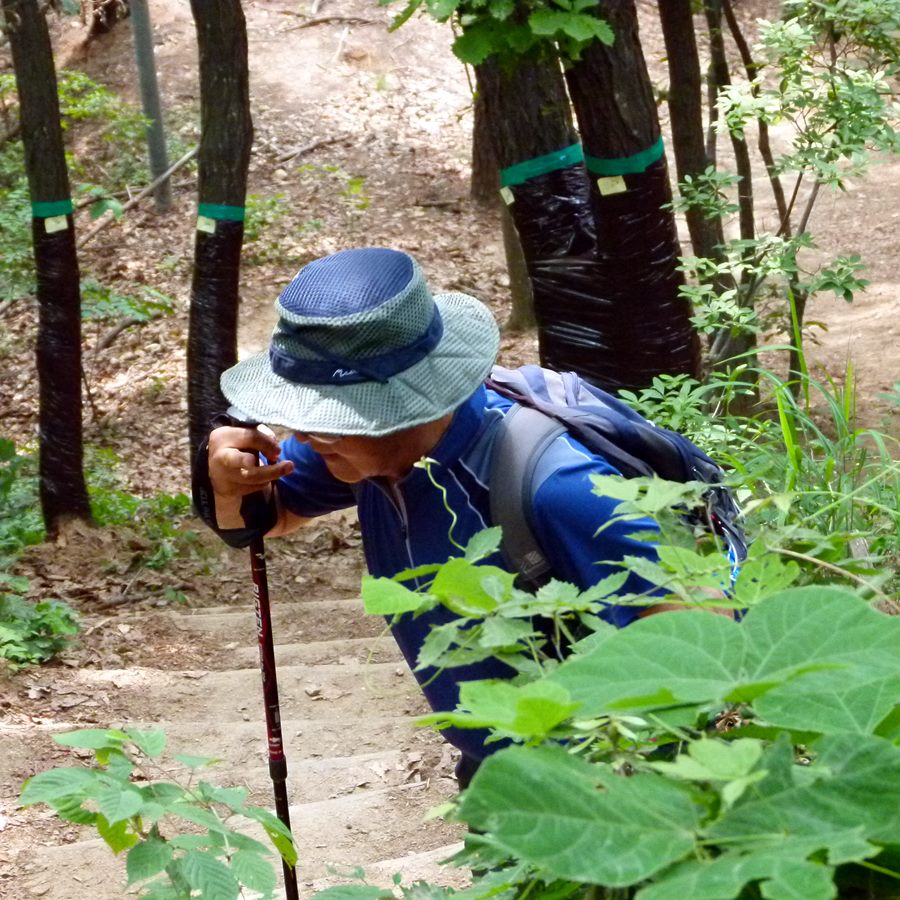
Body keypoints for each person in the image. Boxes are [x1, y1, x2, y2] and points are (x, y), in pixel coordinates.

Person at [195, 246, 673, 783]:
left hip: (592, 785)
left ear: (398, 407)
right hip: (496, 773)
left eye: (323, 420)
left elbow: (694, 636)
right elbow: (267, 519)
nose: (301, 436)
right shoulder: (363, 453)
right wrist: (228, 481)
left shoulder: (557, 486)